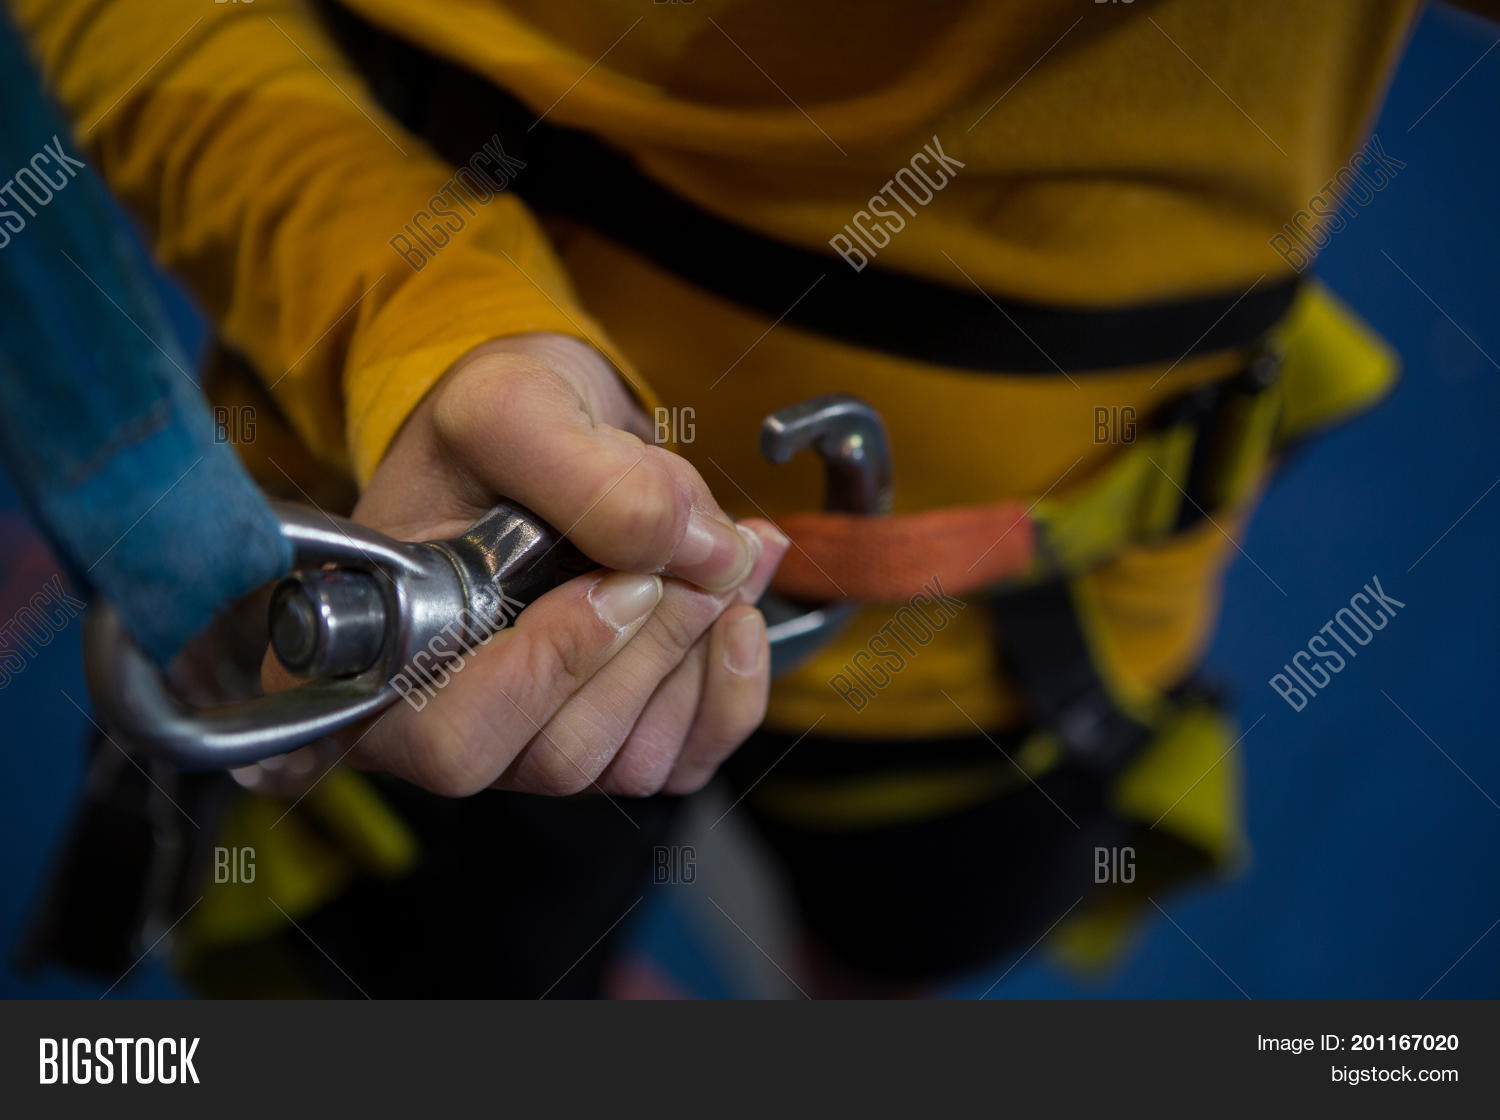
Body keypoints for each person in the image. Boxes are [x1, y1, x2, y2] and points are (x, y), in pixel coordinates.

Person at [7, 0, 1444, 996]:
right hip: (424, 552)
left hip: (1007, 643)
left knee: (910, 937)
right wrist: (417, 310)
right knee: (450, 985)